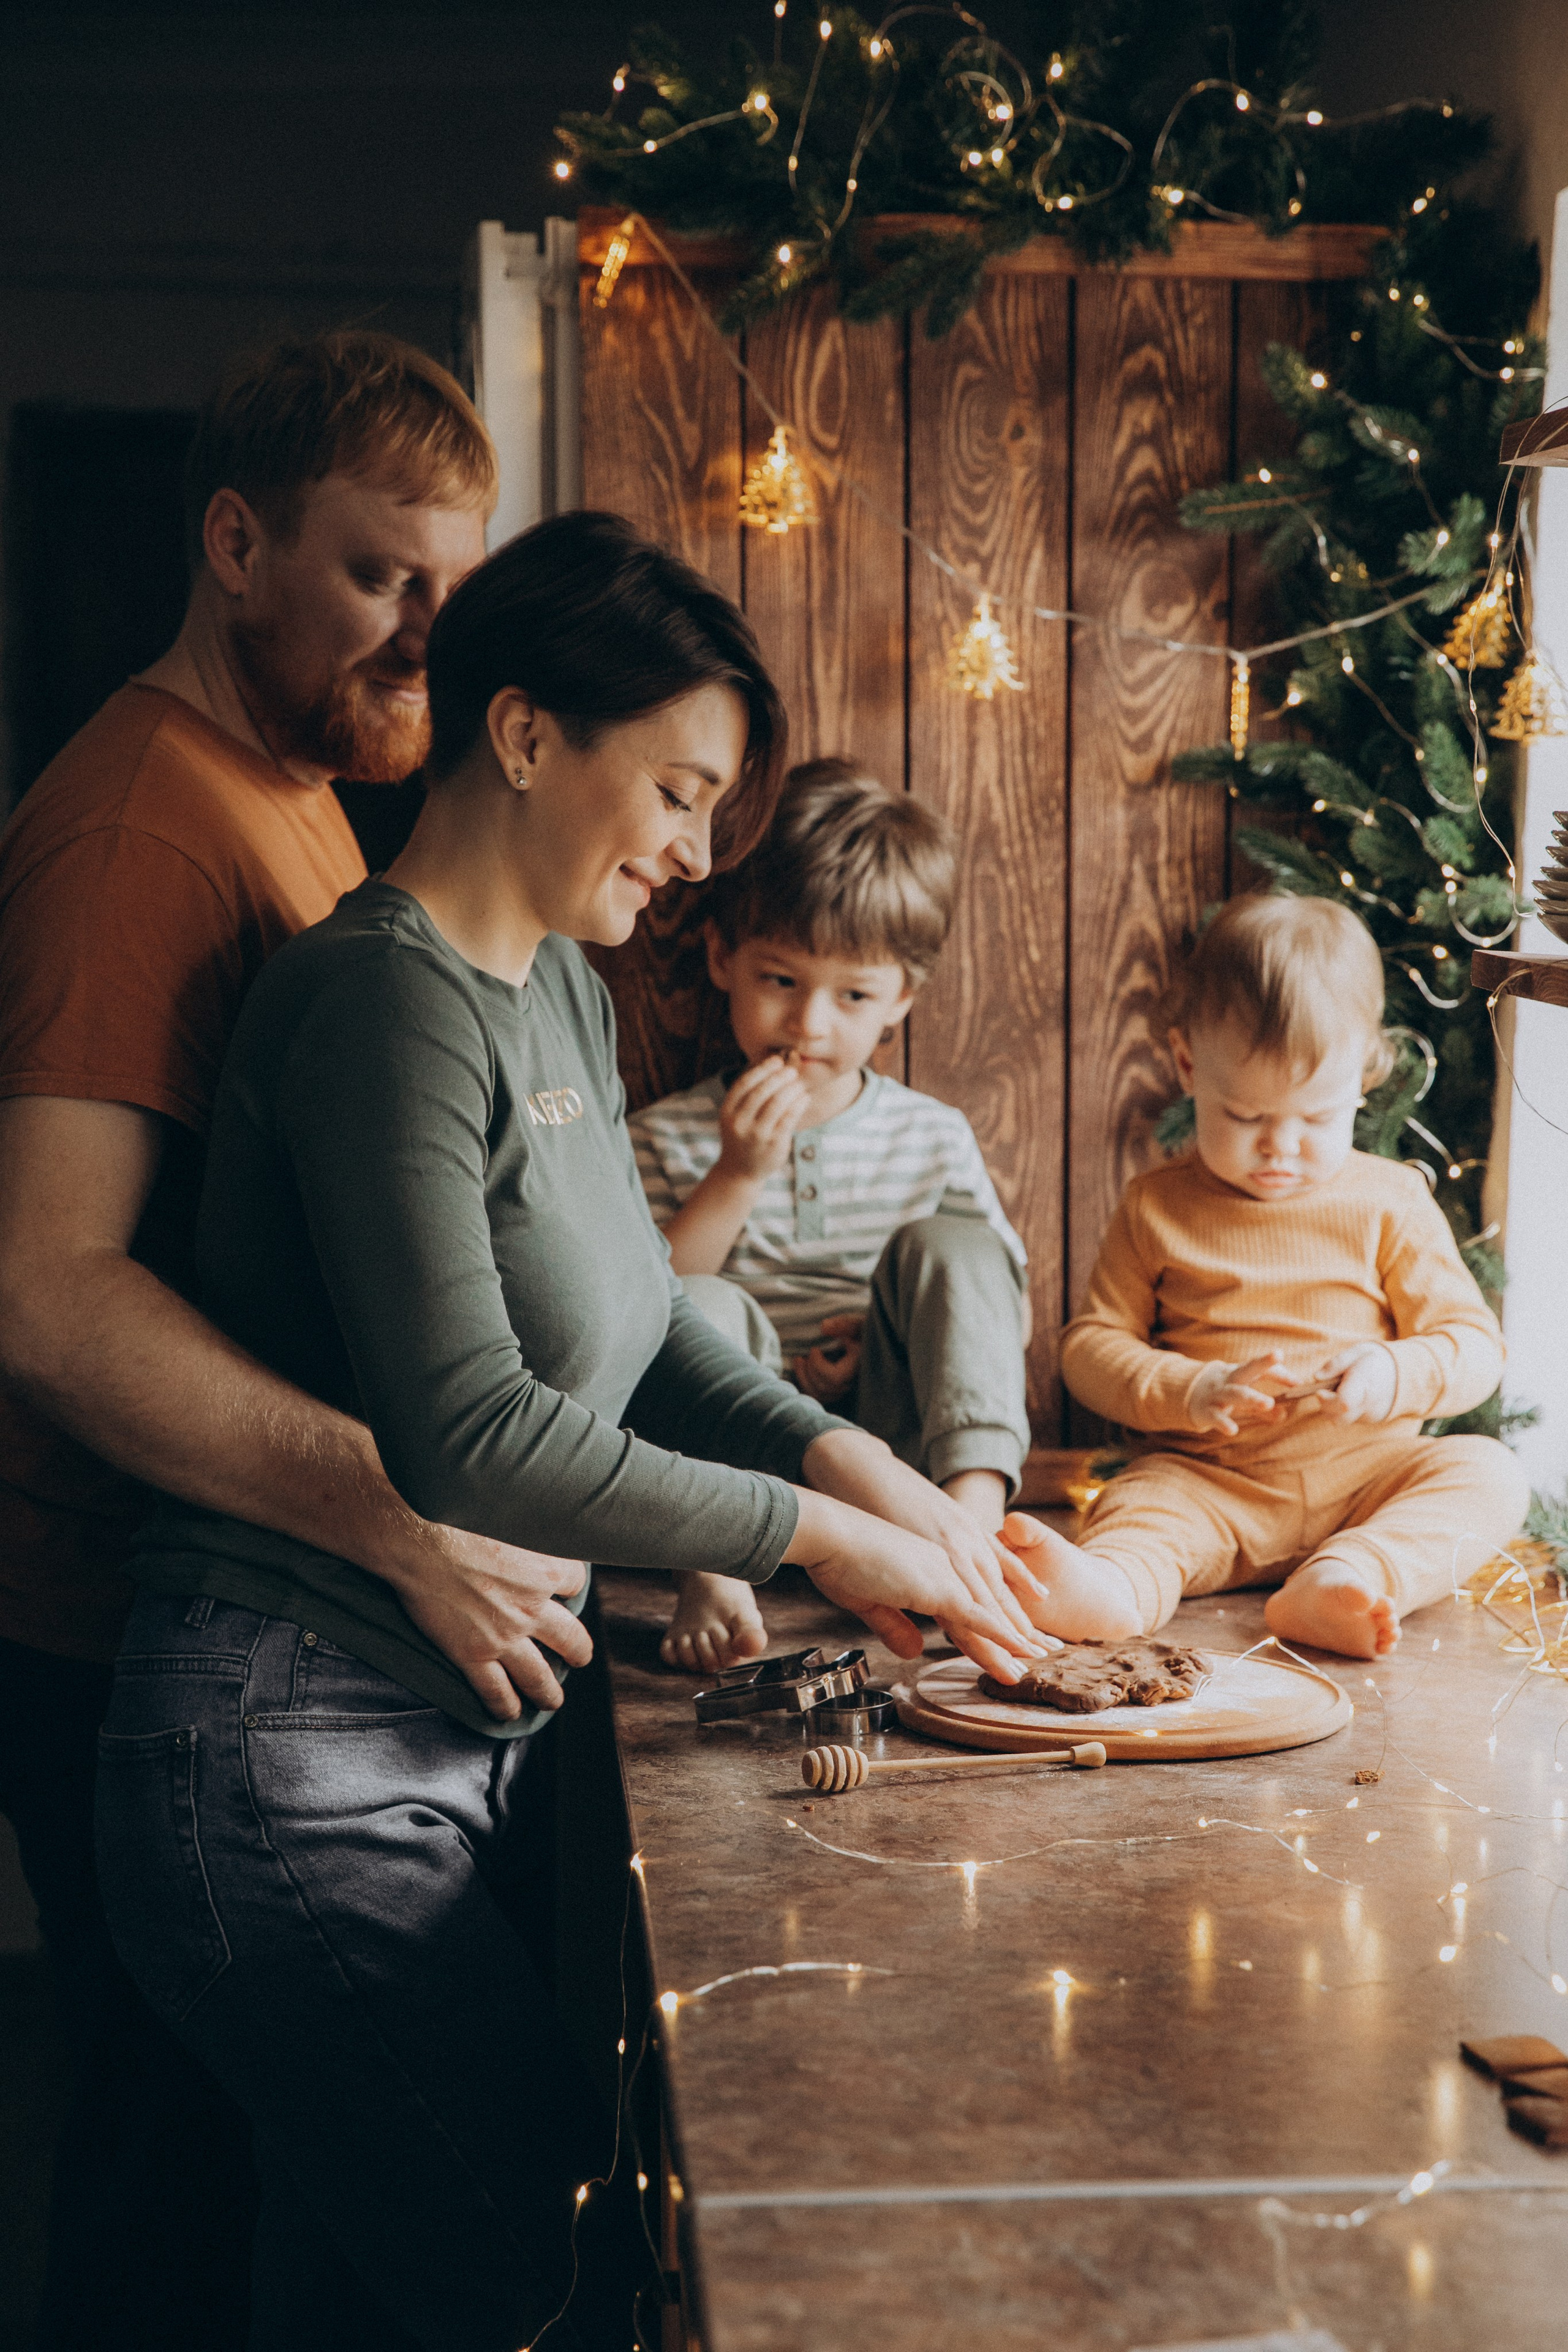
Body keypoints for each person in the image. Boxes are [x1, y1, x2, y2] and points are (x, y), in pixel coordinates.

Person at [92, 511, 1048, 2352]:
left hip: (422, 1748)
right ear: (522, 734)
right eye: (677, 791)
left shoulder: (550, 987)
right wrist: (823, 1540)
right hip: (281, 1767)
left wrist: (882, 1480)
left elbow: (653, 1335)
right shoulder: (385, 1000)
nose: (698, 855)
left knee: (431, 2279)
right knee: (563, 2287)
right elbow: (469, 1433)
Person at [0, 330, 590, 2350]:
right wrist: (400, 1507)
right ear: (236, 543)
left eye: (455, 582)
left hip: (268, 1616)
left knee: (287, 2222)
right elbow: (49, 1296)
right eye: (379, 579)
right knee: (161, 2235)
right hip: (129, 1632)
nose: (428, 637)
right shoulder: (140, 833)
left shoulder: (306, 794)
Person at [1000, 894, 1528, 1660]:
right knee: (1138, 1507)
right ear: (1187, 1065)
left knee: (1486, 1474)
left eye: (1315, 1119)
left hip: (1367, 1480)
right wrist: (1191, 1390)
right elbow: (1089, 1348)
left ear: (1365, 1078)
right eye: (1243, 1116)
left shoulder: (1390, 1200)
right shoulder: (1156, 1206)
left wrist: (1393, 1369)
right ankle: (1108, 1591)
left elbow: (1474, 1345)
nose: (1279, 1146)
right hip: (1208, 1486)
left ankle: (1347, 1577)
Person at [628, 758, 1033, 1673]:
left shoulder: (932, 1137)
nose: (810, 1024)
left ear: (901, 1002)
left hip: (899, 1469)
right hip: (733, 1466)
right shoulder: (665, 1137)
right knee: (697, 1299)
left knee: (958, 1248)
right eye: (781, 979)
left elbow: (999, 1319)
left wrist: (873, 1351)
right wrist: (735, 1174)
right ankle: (715, 1566)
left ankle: (972, 1531)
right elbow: (631, 1322)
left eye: (852, 996)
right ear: (722, 955)